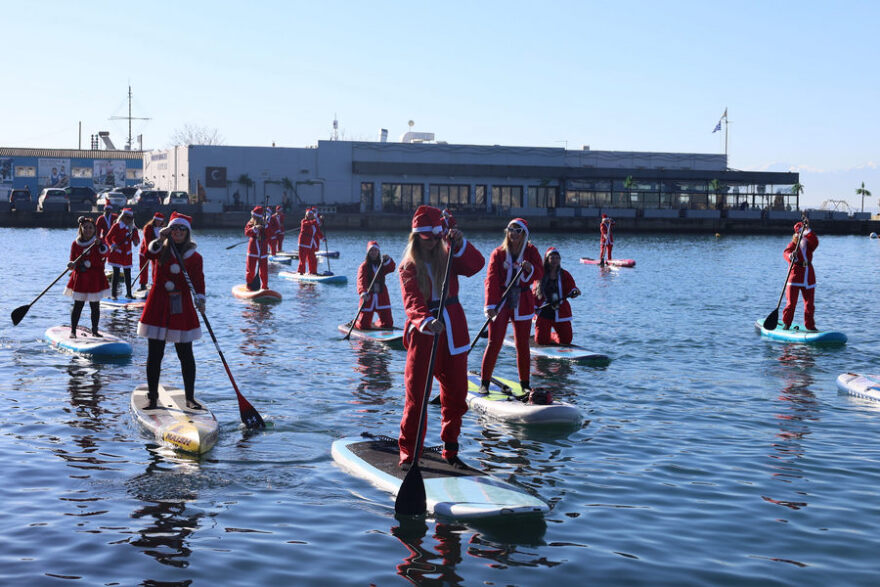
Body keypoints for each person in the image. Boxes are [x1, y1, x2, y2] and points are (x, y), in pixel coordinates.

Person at [398, 206, 485, 469]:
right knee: (417, 397)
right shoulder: (408, 267)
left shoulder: (448, 257)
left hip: (453, 332)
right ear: (417, 238)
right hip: (424, 335)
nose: (435, 242)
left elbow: (476, 265)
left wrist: (460, 243)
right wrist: (426, 321)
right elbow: (412, 300)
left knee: (457, 394)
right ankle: (409, 452)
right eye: (429, 237)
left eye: (438, 237)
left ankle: (451, 449)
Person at [137, 212, 205, 410]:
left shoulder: (195, 257)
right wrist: (161, 237)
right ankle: (152, 397)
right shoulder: (160, 249)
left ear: (187, 233)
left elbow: (199, 281)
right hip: (158, 304)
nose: (177, 232)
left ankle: (190, 398)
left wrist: (200, 298)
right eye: (174, 228)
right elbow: (147, 254)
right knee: (155, 354)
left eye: (181, 229)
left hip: (181, 305)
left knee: (185, 354)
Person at [479, 218, 543, 399]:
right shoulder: (498, 253)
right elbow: (490, 280)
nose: (513, 234)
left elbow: (540, 272)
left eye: (518, 231)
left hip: (522, 300)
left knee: (523, 345)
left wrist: (530, 268)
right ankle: (484, 383)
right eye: (511, 230)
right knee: (494, 342)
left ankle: (525, 385)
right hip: (500, 300)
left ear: (524, 234)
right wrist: (490, 306)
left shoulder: (531, 251)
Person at [62, 217, 110, 338]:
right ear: (81, 229)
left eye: (90, 228)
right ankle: (73, 331)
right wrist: (71, 265)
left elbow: (106, 253)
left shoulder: (98, 242)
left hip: (95, 278)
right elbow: (72, 260)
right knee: (78, 305)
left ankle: (95, 331)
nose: (88, 230)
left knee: (95, 306)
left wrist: (101, 245)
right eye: (85, 227)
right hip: (81, 279)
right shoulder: (75, 244)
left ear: (94, 230)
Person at [533, 247, 580, 345]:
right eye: (552, 258)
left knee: (566, 341)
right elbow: (534, 293)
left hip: (560, 310)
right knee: (541, 341)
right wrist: (533, 307)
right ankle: (545, 335)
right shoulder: (540, 274)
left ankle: (553, 335)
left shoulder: (565, 274)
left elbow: (572, 287)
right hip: (544, 311)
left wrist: (574, 292)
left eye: (556, 258)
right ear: (547, 259)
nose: (554, 260)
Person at [782, 220, 819, 331]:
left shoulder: (809, 244)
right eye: (801, 233)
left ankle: (810, 326)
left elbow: (815, 242)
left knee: (809, 305)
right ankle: (786, 324)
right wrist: (790, 255)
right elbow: (786, 253)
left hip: (808, 276)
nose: (803, 236)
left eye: (805, 233)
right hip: (795, 275)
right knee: (791, 303)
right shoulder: (793, 244)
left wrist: (808, 231)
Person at [354, 241, 396, 330]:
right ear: (368, 252)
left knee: (388, 324)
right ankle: (357, 322)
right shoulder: (364, 266)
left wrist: (388, 259)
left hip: (382, 296)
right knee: (363, 326)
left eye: (375, 250)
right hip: (368, 296)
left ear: (378, 252)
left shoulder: (382, 264)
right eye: (371, 250)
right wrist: (363, 292)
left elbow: (391, 268)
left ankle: (379, 323)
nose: (373, 252)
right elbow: (361, 280)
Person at [105, 207, 140, 299]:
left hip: (127, 254)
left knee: (127, 274)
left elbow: (136, 241)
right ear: (123, 217)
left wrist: (136, 240)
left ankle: (129, 294)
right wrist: (112, 245)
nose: (129, 220)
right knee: (116, 273)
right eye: (127, 217)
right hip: (117, 253)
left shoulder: (133, 229)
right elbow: (108, 238)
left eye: (130, 218)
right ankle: (113, 294)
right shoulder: (116, 226)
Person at [138, 212, 165, 291]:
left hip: (157, 251)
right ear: (154, 220)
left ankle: (155, 283)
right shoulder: (148, 227)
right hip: (145, 250)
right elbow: (147, 240)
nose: (158, 222)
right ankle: (143, 284)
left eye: (160, 221)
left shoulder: (163, 229)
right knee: (143, 268)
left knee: (156, 267)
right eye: (157, 221)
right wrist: (150, 250)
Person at [245, 206, 270, 290]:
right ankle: (249, 286)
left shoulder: (265, 224)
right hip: (252, 249)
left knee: (263, 271)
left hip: (262, 249)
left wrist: (265, 226)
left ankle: (264, 287)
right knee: (250, 269)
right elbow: (247, 233)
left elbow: (269, 234)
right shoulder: (250, 223)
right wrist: (255, 228)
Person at [297, 207, 323, 274]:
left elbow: (318, 231)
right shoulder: (303, 221)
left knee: (312, 258)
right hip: (303, 243)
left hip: (311, 243)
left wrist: (323, 238)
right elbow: (308, 223)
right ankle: (301, 271)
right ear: (306, 215)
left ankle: (313, 272)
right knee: (302, 258)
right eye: (309, 214)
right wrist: (316, 220)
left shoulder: (314, 223)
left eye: (311, 214)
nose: (310, 216)